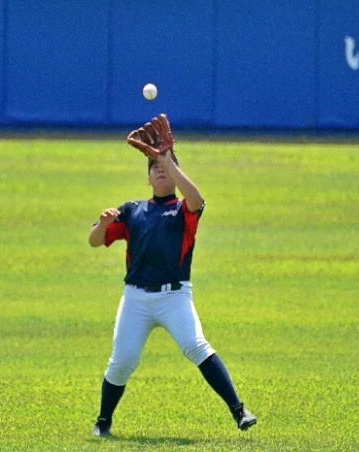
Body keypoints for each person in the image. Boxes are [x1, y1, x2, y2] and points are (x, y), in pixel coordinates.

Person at [88, 121, 257, 437]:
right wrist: (102, 224)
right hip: (136, 299)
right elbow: (95, 241)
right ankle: (103, 422)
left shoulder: (182, 209)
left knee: (196, 345)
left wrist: (167, 159)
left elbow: (196, 199)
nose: (160, 171)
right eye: (154, 167)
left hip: (174, 297)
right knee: (122, 362)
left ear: (175, 171)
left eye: (165, 166)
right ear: (148, 177)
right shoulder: (132, 210)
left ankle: (239, 411)